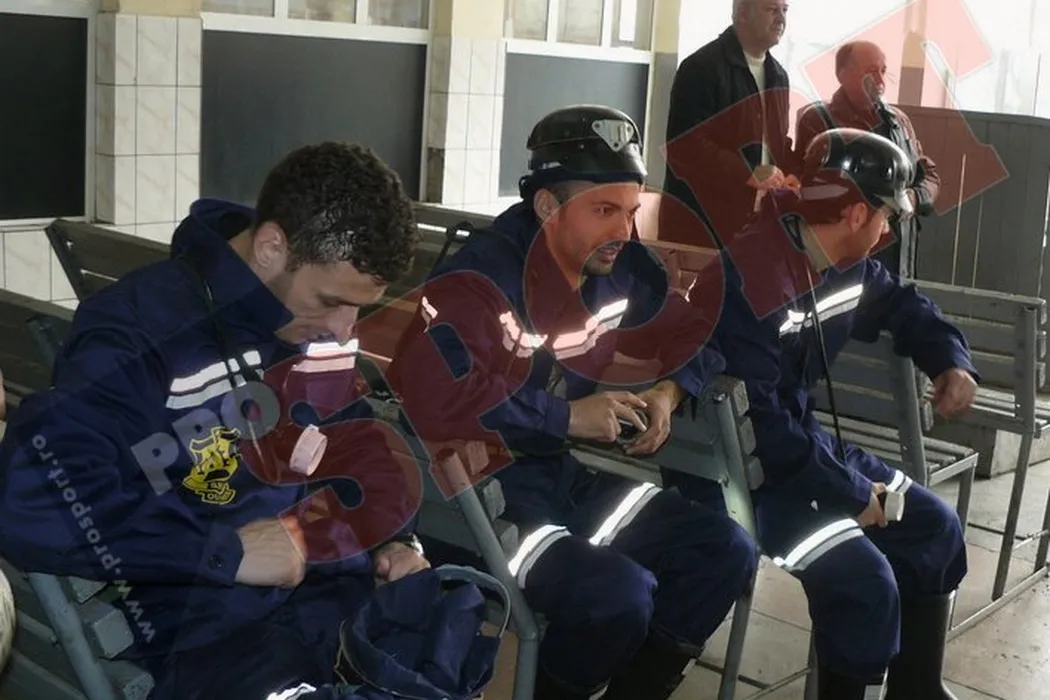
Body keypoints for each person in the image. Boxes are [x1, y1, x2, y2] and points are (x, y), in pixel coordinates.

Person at [0, 143, 441, 700]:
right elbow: (34, 499)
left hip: (323, 604)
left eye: (359, 308)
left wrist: (394, 539)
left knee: (445, 641)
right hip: (205, 638)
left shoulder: (310, 333)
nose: (343, 329)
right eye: (330, 300)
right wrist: (226, 553)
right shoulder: (140, 329)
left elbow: (356, 445)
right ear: (271, 248)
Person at [387, 105, 758, 700]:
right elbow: (433, 397)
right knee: (617, 596)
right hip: (472, 502)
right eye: (604, 211)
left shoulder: (623, 265)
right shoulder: (476, 281)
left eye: (631, 211)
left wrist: (667, 391)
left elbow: (697, 334)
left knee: (723, 550)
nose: (623, 231)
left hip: (555, 478)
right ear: (547, 206)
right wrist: (565, 417)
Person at [666, 128, 975, 700]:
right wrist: (853, 491)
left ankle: (919, 690)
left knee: (934, 526)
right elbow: (765, 429)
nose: (888, 232)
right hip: (739, 477)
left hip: (798, 452)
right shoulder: (749, 277)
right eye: (886, 217)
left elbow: (903, 304)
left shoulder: (845, 262)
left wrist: (950, 361)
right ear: (856, 213)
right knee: (864, 583)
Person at [795, 41, 940, 277]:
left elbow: (928, 174)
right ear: (842, 74)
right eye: (871, 71)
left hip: (900, 255)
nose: (880, 80)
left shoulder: (899, 121)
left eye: (883, 71)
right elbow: (810, 190)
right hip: (846, 261)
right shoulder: (819, 120)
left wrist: (914, 198)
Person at [662, 0, 798, 250]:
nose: (781, 19)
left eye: (784, 10)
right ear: (742, 14)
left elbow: (775, 141)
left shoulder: (779, 75)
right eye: (771, 9)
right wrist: (748, 172)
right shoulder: (701, 67)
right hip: (704, 225)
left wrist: (791, 173)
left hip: (758, 226)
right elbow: (685, 147)